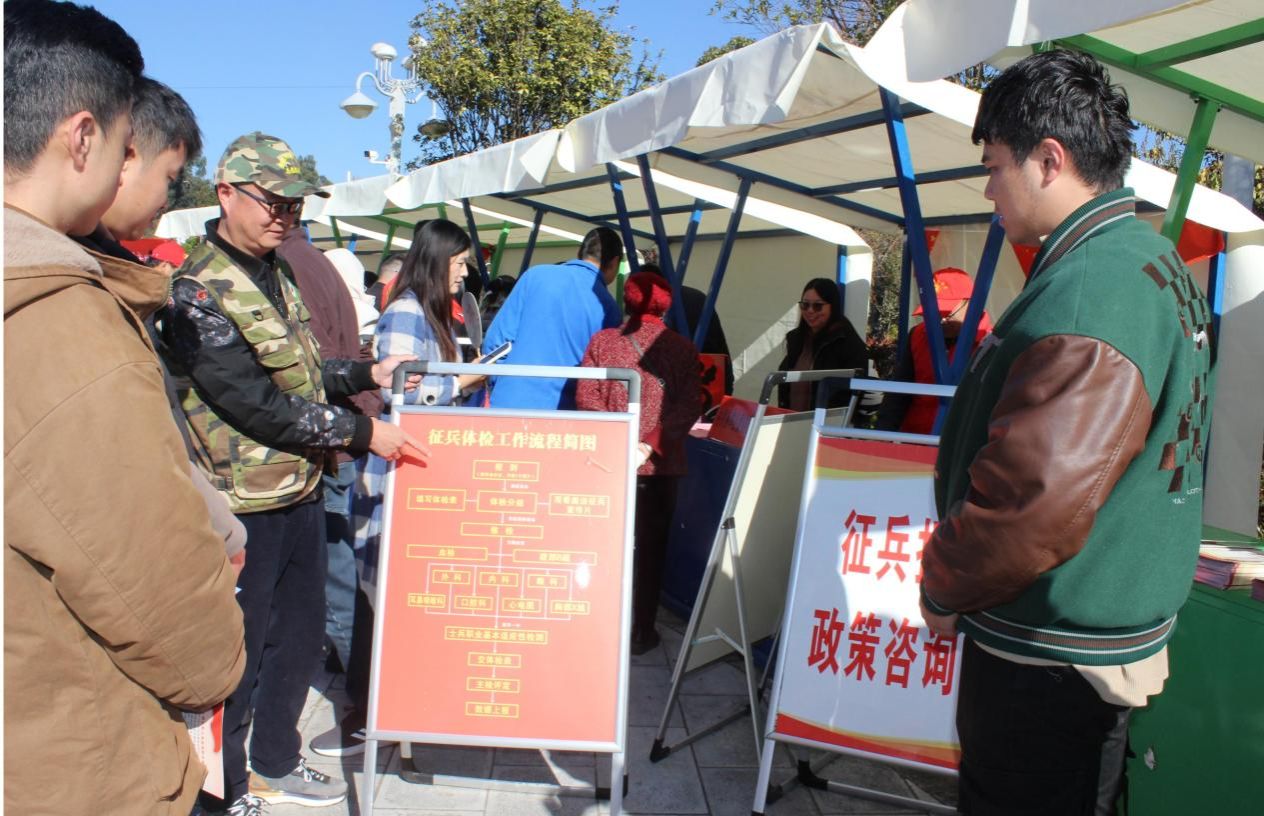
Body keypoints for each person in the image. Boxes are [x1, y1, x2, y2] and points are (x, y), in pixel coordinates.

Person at [919, 49, 1215, 816]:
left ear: (1049, 160)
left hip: (1048, 651)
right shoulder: (1146, 258)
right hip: (1088, 630)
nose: (988, 189)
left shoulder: (1092, 290)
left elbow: (1033, 505)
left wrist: (943, 582)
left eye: (994, 167)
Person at [4, 2, 246, 814]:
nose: (122, 176)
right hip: (68, 764)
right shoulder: (54, 322)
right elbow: (166, 608)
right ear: (82, 138)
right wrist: (220, 652)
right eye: (120, 147)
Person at [163, 131, 426, 815]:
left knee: (300, 636)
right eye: (272, 202)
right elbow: (253, 402)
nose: (284, 216)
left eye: (294, 205)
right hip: (241, 506)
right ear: (225, 194)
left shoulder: (276, 272)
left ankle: (275, 761)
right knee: (241, 651)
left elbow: (304, 373)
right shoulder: (196, 290)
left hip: (299, 489)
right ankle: (229, 786)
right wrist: (365, 432)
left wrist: (367, 373)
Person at [314, 220, 486, 758]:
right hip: (396, 479)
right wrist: (464, 380)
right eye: (459, 263)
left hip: (415, 476)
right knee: (382, 598)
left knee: (396, 597)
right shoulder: (408, 312)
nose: (464, 274)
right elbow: (405, 396)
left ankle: (392, 707)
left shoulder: (426, 312)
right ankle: (370, 713)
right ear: (437, 259)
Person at [276, 229, 384, 690]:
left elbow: (309, 372)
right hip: (340, 433)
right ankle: (362, 675)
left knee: (331, 574)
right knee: (338, 569)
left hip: (324, 440)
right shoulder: (316, 261)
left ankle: (364, 687)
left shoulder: (290, 266)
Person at [577, 271, 702, 654]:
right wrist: (649, 446)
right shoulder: (682, 349)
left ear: (626, 300)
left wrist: (620, 442)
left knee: (605, 545)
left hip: (608, 464)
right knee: (650, 551)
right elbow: (690, 407)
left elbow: (586, 398)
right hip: (659, 468)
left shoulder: (602, 342)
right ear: (666, 304)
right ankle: (641, 631)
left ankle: (599, 624)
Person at [482, 226, 623, 408]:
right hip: (563, 412)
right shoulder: (609, 308)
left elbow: (496, 341)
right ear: (615, 262)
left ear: (580, 252)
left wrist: (502, 382)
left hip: (509, 401)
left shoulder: (534, 276)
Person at [875, 267, 993, 434]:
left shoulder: (991, 344)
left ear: (971, 304)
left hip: (960, 441)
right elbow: (899, 392)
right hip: (915, 439)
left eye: (946, 313)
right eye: (931, 313)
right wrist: (882, 434)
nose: (939, 321)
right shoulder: (917, 335)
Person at [776, 277, 868, 410]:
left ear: (833, 307)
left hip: (827, 421)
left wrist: (822, 419)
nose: (810, 311)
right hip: (792, 418)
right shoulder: (795, 338)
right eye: (805, 305)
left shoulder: (849, 343)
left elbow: (851, 394)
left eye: (818, 306)